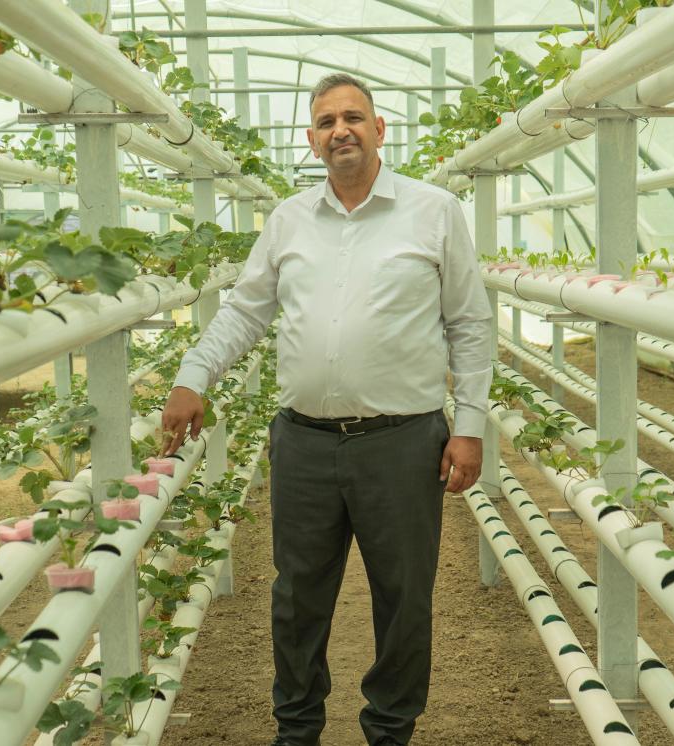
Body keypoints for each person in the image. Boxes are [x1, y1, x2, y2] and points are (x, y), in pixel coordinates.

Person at [160, 73, 492, 746]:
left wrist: (472, 425)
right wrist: (194, 375)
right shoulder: (289, 220)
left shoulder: (432, 211)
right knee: (296, 600)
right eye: (325, 121)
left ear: (379, 129)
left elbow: (470, 323)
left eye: (353, 117)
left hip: (402, 441)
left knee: (403, 602)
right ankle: (298, 729)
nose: (340, 129)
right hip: (304, 443)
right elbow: (247, 311)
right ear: (312, 141)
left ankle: (390, 730)